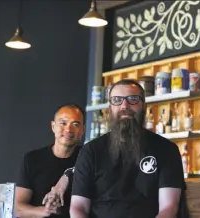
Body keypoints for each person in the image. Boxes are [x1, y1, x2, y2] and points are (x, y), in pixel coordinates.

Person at [70, 79, 185, 218]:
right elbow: (78, 207)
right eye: (117, 100)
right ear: (109, 109)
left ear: (143, 106)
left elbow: (169, 208)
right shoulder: (91, 151)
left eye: (133, 99)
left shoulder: (167, 150)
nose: (124, 105)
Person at [15, 104, 85, 218]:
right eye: (63, 123)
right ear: (53, 126)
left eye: (75, 124)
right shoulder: (32, 159)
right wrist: (45, 211)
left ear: (82, 130)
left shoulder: (88, 158)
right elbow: (19, 208)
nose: (68, 129)